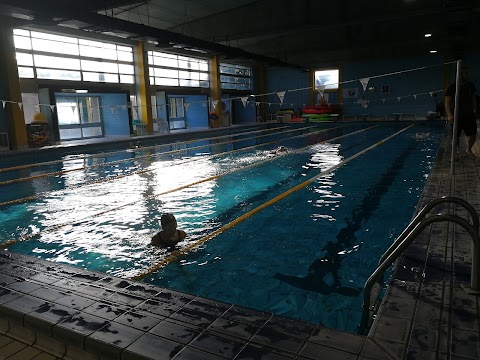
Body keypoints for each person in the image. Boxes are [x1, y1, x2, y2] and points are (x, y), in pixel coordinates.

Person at [445, 66, 478, 160]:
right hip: (456, 115)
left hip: (469, 114)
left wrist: (475, 109)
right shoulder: (452, 86)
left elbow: (473, 98)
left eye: (468, 73)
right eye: (466, 73)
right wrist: (449, 114)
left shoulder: (470, 85)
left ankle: (469, 149)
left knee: (473, 134)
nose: (468, 75)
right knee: (455, 136)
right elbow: (447, 101)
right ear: (460, 74)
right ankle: (456, 153)